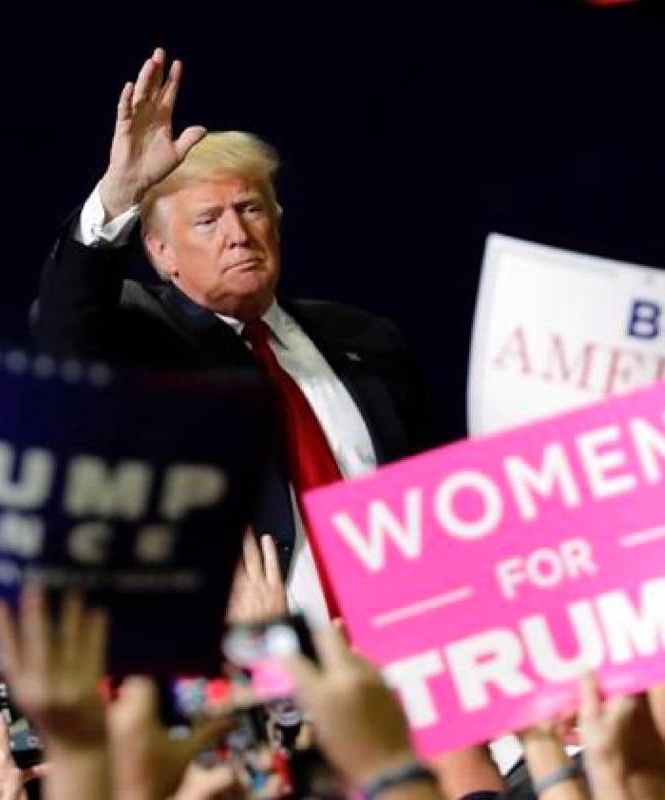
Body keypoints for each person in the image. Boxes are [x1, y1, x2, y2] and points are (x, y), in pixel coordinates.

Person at [32, 47, 435, 627]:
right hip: (267, 667)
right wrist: (119, 193)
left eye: (250, 209)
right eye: (208, 220)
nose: (238, 234)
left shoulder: (369, 340)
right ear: (161, 252)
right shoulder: (143, 338)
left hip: (416, 642)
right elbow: (65, 328)